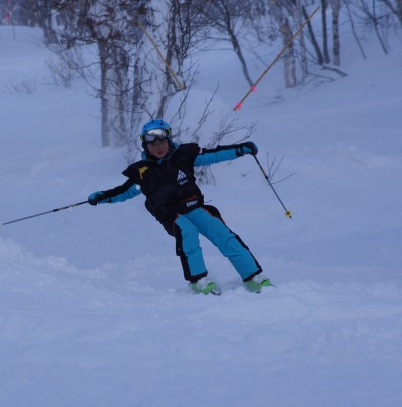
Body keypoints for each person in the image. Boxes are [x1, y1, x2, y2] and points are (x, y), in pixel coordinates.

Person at [87, 119, 272, 295]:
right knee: (187, 231)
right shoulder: (142, 172)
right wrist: (103, 197)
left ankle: (253, 277)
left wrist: (240, 150)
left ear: (168, 139)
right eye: (152, 144)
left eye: (161, 142)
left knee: (223, 234)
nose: (158, 147)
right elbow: (125, 191)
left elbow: (214, 154)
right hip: (169, 213)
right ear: (145, 146)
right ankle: (199, 281)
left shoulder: (185, 155)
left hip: (194, 206)